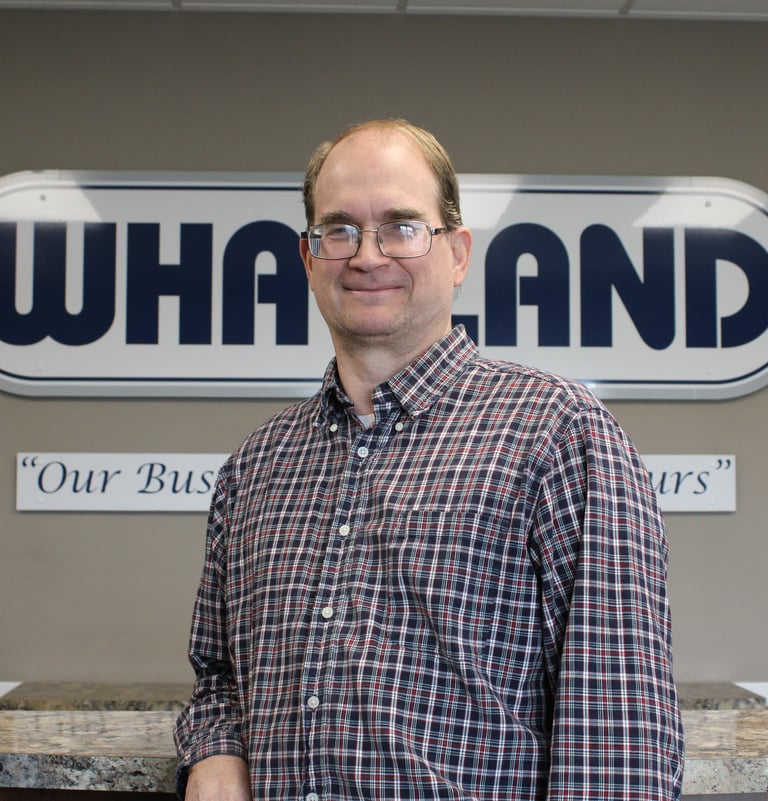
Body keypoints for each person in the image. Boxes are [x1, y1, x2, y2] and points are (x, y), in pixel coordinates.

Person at [174, 118, 684, 801]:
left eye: (402, 226)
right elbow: (218, 677)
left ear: (458, 252)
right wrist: (215, 749)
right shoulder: (254, 468)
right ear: (308, 258)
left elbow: (617, 739)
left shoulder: (558, 434)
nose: (367, 256)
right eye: (339, 230)